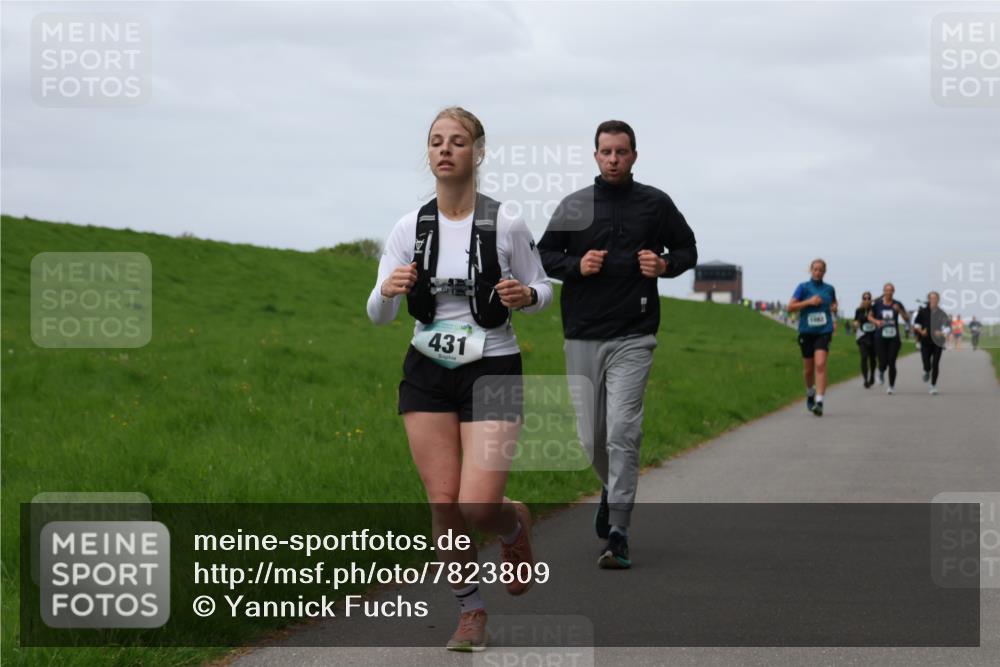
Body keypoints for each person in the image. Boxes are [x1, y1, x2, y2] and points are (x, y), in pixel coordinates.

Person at [367, 107, 553, 652]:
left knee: (476, 506)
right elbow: (377, 315)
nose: (445, 149)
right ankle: (470, 611)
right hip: (427, 367)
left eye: (457, 141)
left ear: (478, 152)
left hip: (493, 366)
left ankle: (513, 523)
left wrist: (526, 295)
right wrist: (388, 290)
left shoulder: (507, 223)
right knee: (444, 503)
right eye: (436, 142)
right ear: (428, 155)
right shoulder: (410, 228)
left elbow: (544, 289)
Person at [537, 119, 697, 570]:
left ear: (634, 155)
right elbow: (543, 254)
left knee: (623, 430)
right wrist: (576, 264)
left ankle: (619, 530)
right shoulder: (575, 206)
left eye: (621, 151)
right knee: (590, 439)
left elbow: (688, 249)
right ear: (595, 156)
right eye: (605, 152)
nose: (613, 159)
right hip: (582, 332)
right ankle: (611, 487)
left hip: (635, 333)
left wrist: (664, 264)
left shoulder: (655, 204)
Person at [788, 259, 838, 416]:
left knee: (821, 364)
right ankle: (810, 392)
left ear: (824, 272)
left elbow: (834, 304)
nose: (817, 272)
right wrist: (809, 301)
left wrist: (835, 308)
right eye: (815, 269)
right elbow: (790, 307)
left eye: (820, 270)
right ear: (811, 270)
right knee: (808, 370)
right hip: (807, 332)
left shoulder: (829, 289)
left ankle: (820, 401)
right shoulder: (803, 287)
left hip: (824, 331)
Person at [869, 282, 911, 395]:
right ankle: (881, 371)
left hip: (893, 336)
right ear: (884, 291)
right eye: (887, 290)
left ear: (894, 291)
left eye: (891, 290)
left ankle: (891, 386)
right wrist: (877, 321)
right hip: (880, 336)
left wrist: (900, 311)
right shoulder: (877, 304)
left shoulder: (898, 304)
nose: (889, 292)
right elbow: (869, 316)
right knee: (882, 361)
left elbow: (907, 318)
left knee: (892, 361)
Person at [913, 292, 949, 395]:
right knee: (927, 364)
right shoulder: (923, 312)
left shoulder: (942, 313)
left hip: (938, 342)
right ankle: (926, 370)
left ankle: (933, 386)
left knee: (936, 363)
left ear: (938, 300)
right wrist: (921, 331)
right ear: (928, 299)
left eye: (935, 298)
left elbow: (947, 327)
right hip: (925, 341)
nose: (933, 300)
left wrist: (942, 332)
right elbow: (916, 324)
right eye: (931, 298)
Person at [853, 291, 877, 388]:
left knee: (872, 359)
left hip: (873, 337)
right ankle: (865, 379)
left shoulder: (875, 309)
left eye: (868, 298)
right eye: (865, 298)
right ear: (862, 299)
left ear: (871, 299)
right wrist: (855, 324)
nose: (866, 300)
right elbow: (855, 321)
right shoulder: (859, 310)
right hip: (862, 337)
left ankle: (872, 376)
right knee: (864, 357)